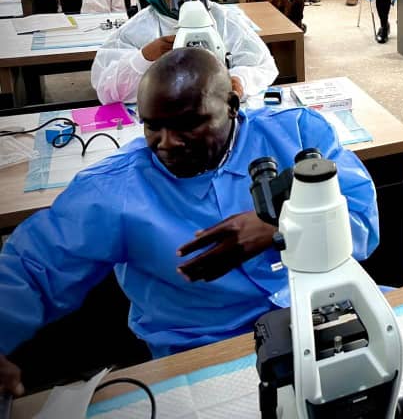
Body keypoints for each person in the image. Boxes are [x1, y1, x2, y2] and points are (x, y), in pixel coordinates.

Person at [0, 49, 378, 395]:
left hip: (324, 318)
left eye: (189, 124)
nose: (167, 143)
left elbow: (363, 221)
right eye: (152, 127)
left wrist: (280, 229)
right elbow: (31, 268)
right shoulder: (116, 191)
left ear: (231, 104)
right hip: (209, 351)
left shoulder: (297, 133)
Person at [91, 0, 277, 105]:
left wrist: (239, 80)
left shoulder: (225, 19)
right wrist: (144, 57)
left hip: (216, 114)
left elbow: (263, 66)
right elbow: (107, 90)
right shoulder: (137, 29)